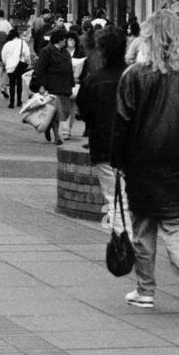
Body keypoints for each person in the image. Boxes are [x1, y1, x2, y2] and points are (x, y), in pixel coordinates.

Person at [111, 10, 179, 318]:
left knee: (143, 226)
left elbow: (122, 122)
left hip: (142, 160)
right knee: (178, 222)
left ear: (148, 37)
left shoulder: (134, 76)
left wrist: (118, 161)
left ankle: (145, 291)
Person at [77, 26, 130, 233]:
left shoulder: (93, 80)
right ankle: (132, 242)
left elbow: (85, 110)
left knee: (114, 197)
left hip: (104, 146)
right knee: (131, 197)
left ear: (102, 50)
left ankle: (124, 242)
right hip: (133, 146)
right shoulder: (133, 76)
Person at [31, 27, 75, 144]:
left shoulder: (65, 52)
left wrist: (71, 84)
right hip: (52, 85)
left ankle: (49, 125)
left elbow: (69, 68)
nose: (66, 41)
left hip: (64, 86)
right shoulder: (47, 51)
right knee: (55, 112)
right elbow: (40, 69)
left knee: (64, 112)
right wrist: (42, 85)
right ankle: (57, 135)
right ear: (59, 40)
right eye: (64, 39)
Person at [1, 28, 33, 109]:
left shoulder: (7, 44)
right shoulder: (22, 42)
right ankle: (19, 101)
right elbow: (27, 54)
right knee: (19, 83)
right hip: (20, 65)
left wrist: (6, 64)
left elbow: (3, 55)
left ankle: (11, 102)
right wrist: (29, 62)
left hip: (10, 66)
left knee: (11, 84)